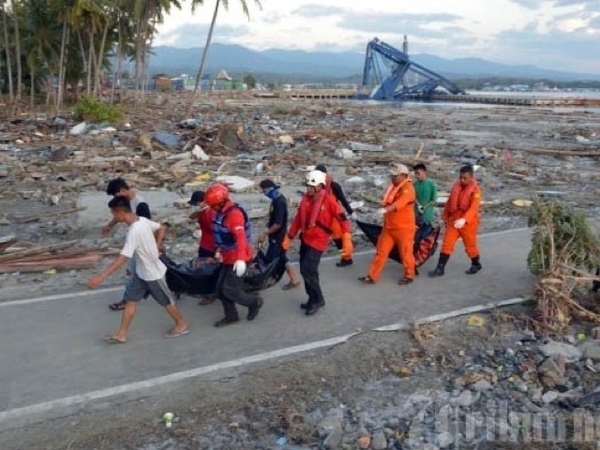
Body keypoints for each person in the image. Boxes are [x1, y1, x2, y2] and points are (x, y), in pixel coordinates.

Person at [87, 196, 188, 344]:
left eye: (113, 214)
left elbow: (123, 258)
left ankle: (181, 324)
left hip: (153, 273)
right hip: (141, 271)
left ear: (120, 212)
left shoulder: (134, 231)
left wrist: (101, 276)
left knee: (166, 301)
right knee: (130, 300)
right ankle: (122, 334)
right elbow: (161, 227)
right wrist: (157, 244)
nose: (113, 217)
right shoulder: (142, 220)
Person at [282, 170, 352, 315]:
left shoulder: (329, 201)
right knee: (305, 270)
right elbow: (298, 220)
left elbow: (342, 219)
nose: (308, 189)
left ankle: (318, 299)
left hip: (319, 241)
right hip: (306, 239)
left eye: (310, 186)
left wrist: (346, 237)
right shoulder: (306, 199)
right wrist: (289, 237)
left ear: (320, 186)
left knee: (308, 269)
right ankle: (312, 298)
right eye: (307, 185)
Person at [204, 183, 263, 327]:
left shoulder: (234, 215)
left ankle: (254, 302)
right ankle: (231, 316)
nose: (212, 209)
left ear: (222, 201)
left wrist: (241, 260)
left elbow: (241, 238)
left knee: (230, 290)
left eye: (214, 206)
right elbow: (221, 235)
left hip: (239, 257)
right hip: (228, 256)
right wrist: (218, 250)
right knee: (219, 289)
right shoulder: (221, 213)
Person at [359, 163, 417, 285]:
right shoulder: (394, 187)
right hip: (389, 227)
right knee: (381, 252)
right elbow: (387, 201)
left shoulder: (408, 189)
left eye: (395, 176)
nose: (392, 178)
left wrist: (385, 210)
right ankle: (372, 276)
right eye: (391, 176)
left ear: (404, 175)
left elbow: (399, 203)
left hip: (403, 229)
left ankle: (409, 275)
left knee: (405, 254)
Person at [103, 178, 152, 312]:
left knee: (133, 272)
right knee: (146, 272)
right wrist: (109, 226)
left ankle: (127, 300)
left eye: (116, 195)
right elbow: (120, 214)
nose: (115, 199)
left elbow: (148, 226)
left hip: (140, 244)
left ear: (123, 190)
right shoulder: (126, 202)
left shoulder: (140, 204)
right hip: (136, 241)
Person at [429, 165, 483, 277]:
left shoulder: (476, 191)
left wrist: (464, 219)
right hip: (454, 220)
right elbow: (450, 202)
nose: (462, 180)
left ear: (471, 177)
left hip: (468, 222)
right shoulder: (456, 187)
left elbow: (474, 208)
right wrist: (444, 217)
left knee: (470, 246)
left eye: (465, 178)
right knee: (447, 243)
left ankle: (476, 263)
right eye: (461, 178)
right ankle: (440, 268)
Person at [257, 179, 301, 290]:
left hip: (278, 237)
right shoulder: (275, 200)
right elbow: (274, 219)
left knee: (270, 260)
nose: (264, 193)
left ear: (268, 189)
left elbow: (277, 224)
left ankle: (260, 283)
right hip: (276, 236)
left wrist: (265, 234)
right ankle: (294, 279)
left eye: (264, 190)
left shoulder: (279, 201)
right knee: (281, 258)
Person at [315, 164, 354, 267]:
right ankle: (346, 257)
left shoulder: (334, 186)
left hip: (336, 217)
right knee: (336, 239)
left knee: (339, 239)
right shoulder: (318, 186)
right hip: (326, 217)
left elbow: (342, 199)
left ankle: (346, 258)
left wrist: (351, 212)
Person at [188, 190, 218, 305]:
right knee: (205, 267)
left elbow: (215, 230)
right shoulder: (204, 212)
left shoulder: (210, 213)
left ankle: (210, 294)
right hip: (205, 243)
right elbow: (191, 217)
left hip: (210, 245)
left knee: (207, 269)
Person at [413, 163, 438, 242]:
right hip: (416, 213)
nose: (417, 176)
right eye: (415, 174)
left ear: (424, 172)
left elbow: (433, 200)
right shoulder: (414, 185)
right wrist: (418, 205)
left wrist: (425, 207)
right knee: (416, 234)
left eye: (418, 173)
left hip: (427, 215)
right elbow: (413, 197)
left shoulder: (431, 185)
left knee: (425, 236)